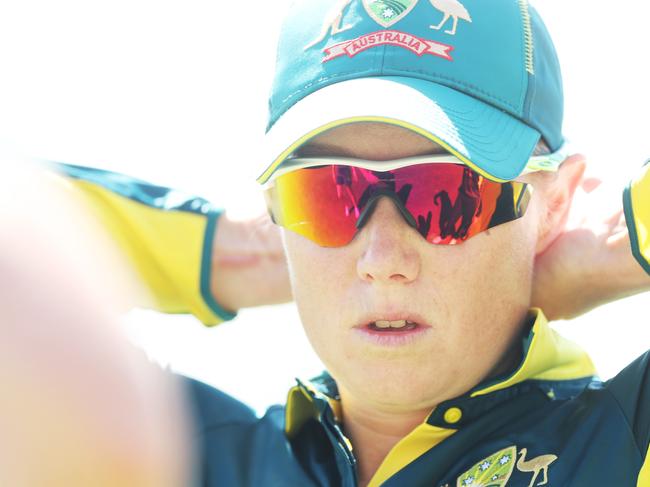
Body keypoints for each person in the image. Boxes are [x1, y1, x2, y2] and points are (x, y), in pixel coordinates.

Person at [13, 0, 650, 485]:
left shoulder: (622, 445)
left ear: (555, 202)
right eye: (326, 195)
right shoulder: (190, 454)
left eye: (444, 197)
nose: (381, 261)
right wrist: (246, 251)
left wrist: (620, 249)